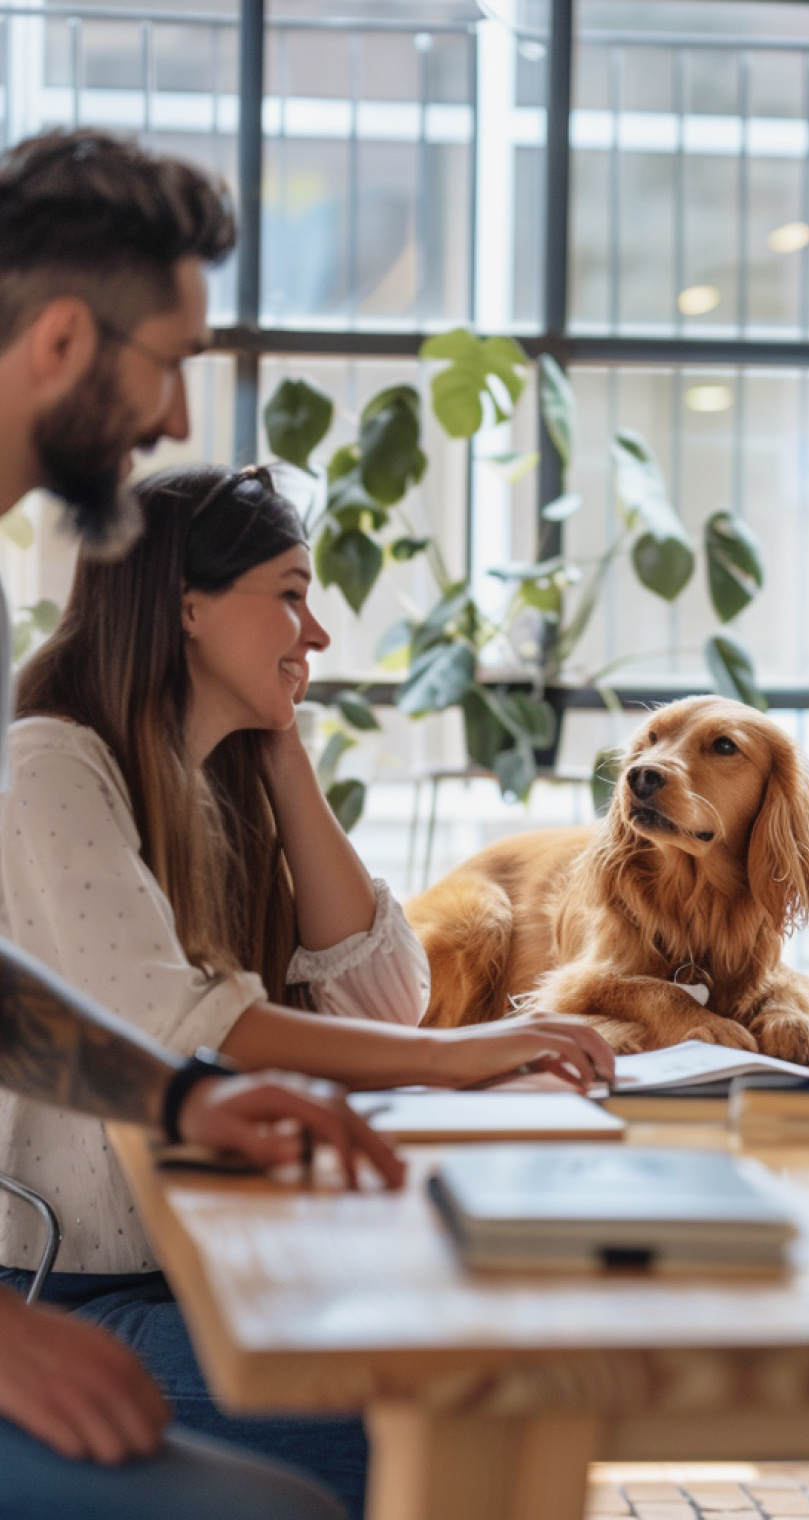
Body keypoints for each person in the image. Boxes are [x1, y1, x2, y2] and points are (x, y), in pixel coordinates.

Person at [0, 129, 612, 1519]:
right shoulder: (55, 756)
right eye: (166, 362)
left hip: (143, 1262)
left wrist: (187, 1098)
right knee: (395, 1442)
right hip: (76, 1287)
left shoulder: (196, 767)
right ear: (56, 342)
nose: (169, 419)